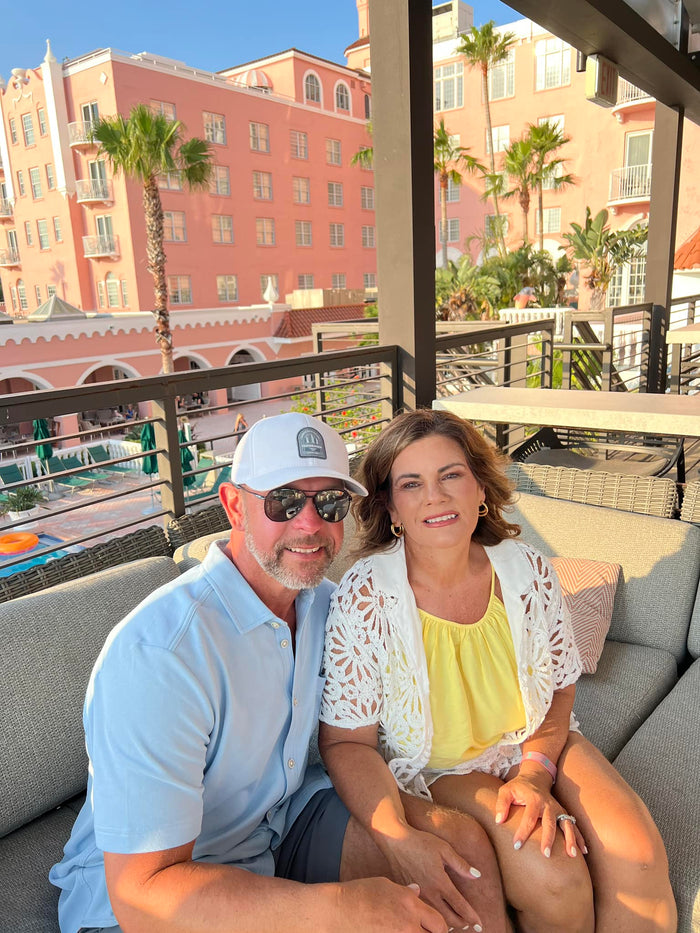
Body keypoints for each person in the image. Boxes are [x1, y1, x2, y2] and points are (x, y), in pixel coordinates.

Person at [49, 412, 501, 933]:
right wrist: (340, 909)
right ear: (234, 506)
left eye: (329, 502)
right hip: (154, 897)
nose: (309, 525)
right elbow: (143, 895)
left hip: (278, 830)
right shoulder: (161, 655)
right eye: (283, 501)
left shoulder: (330, 609)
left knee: (459, 856)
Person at [319, 409, 677, 933]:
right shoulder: (366, 596)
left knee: (639, 852)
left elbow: (559, 685)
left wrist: (536, 771)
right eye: (411, 484)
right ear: (391, 507)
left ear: (480, 489)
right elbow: (348, 742)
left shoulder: (526, 568)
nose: (435, 497)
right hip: (442, 770)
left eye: (451, 475)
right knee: (555, 876)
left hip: (535, 739)